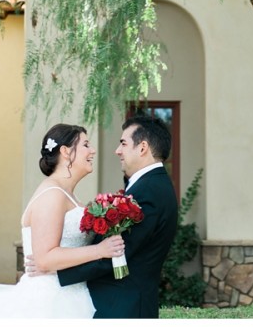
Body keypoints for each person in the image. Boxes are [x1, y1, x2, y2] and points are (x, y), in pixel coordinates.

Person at [0, 124, 124, 319]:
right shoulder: (52, 195)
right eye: (86, 145)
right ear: (65, 152)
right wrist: (100, 250)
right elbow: (45, 259)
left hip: (72, 294)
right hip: (50, 301)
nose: (92, 150)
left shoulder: (66, 194)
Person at [27, 114, 178, 318]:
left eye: (123, 143)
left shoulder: (149, 191)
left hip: (123, 305)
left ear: (142, 148)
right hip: (98, 301)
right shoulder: (149, 186)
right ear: (65, 152)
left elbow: (118, 252)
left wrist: (55, 270)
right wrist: (52, 263)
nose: (117, 151)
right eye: (86, 145)